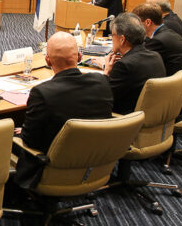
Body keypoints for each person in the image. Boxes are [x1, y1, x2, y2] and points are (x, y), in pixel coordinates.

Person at [13, 32, 113, 189]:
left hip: (50, 167)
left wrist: (24, 130)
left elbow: (30, 140)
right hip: (93, 164)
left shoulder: (42, 93)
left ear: (47, 60)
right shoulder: (102, 82)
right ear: (79, 57)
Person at [98, 13, 165, 115]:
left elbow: (104, 98)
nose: (112, 38)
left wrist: (106, 72)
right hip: (151, 117)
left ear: (122, 39)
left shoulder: (124, 65)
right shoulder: (156, 56)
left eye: (112, 35)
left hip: (126, 120)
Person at [133, 3, 182, 96]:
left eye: (137, 23)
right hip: (180, 87)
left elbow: (137, 61)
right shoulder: (166, 32)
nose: (135, 27)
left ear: (148, 22)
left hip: (176, 94)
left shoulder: (159, 41)